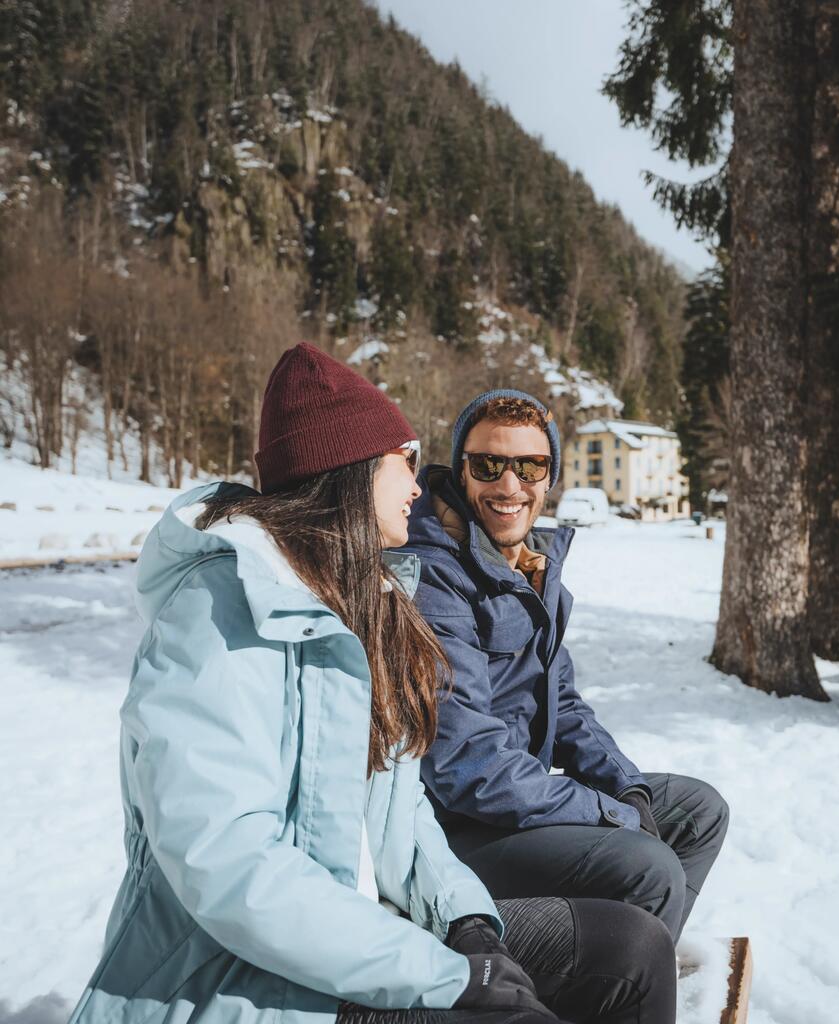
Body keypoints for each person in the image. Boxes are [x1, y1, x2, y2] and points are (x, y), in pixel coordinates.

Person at [68, 346, 676, 1024]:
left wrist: (466, 920)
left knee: (632, 948)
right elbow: (230, 867)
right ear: (351, 472)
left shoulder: (364, 604)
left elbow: (400, 806)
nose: (419, 486)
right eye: (404, 462)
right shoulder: (214, 615)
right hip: (264, 988)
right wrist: (447, 976)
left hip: (385, 936)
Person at [402, 390, 730, 945]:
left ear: (549, 476)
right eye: (489, 465)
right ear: (461, 470)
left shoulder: (529, 562)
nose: (510, 486)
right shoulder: (435, 575)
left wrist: (626, 790)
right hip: (452, 828)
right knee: (647, 867)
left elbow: (566, 704)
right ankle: (616, 981)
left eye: (530, 466)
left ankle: (627, 973)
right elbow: (465, 765)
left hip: (511, 803)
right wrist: (607, 815)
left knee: (697, 813)